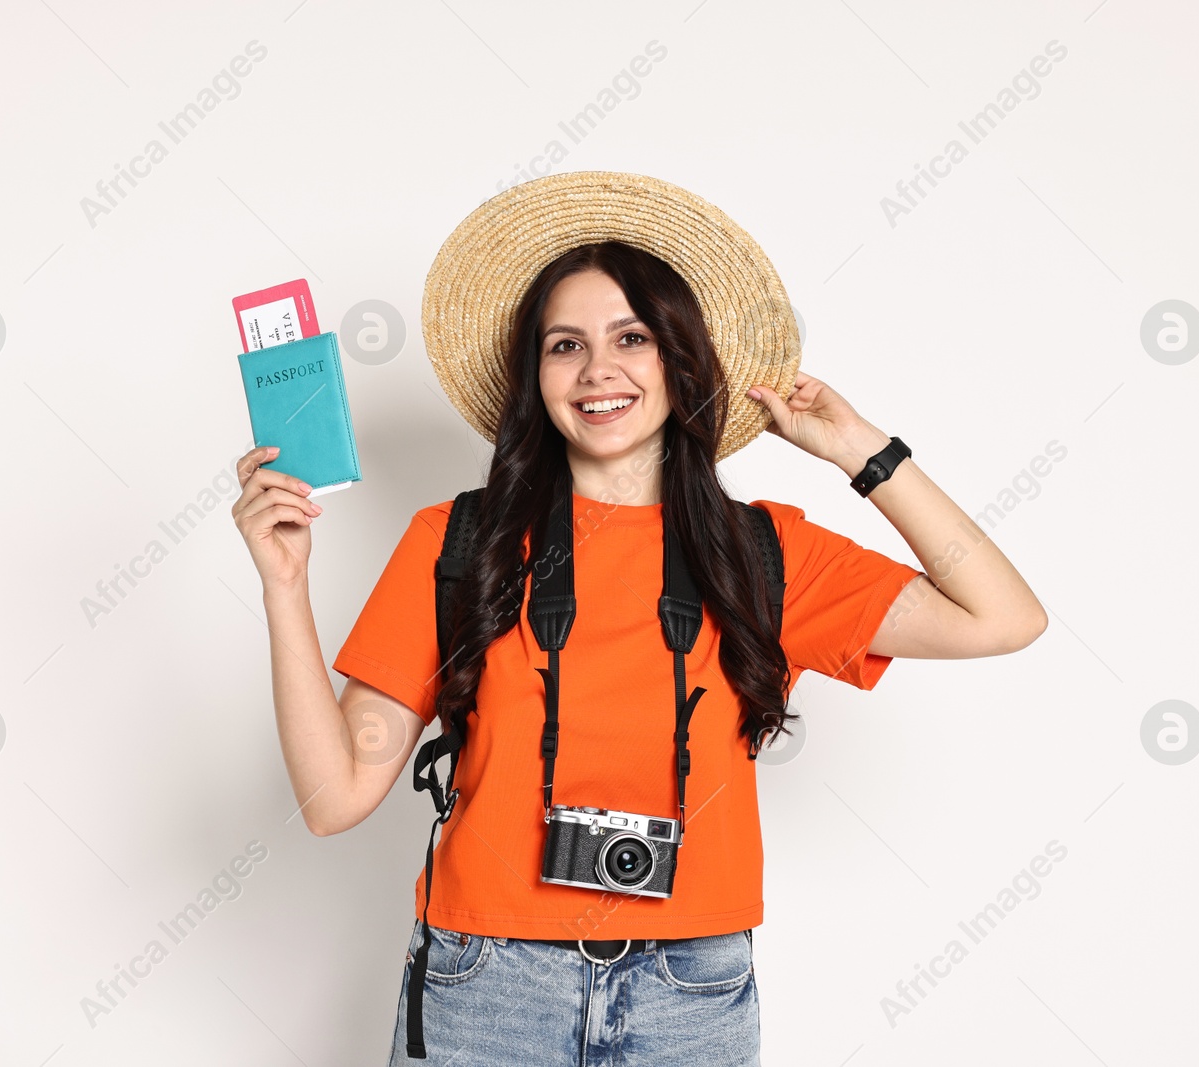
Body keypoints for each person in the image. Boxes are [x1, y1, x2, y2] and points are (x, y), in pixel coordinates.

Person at [230, 172, 1047, 1066]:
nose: (597, 371)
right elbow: (333, 796)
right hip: (487, 986)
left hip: (689, 993)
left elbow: (1003, 616)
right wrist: (284, 588)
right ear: (534, 375)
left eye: (633, 337)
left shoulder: (762, 554)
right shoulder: (459, 541)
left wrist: (859, 449)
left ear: (679, 361)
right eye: (564, 345)